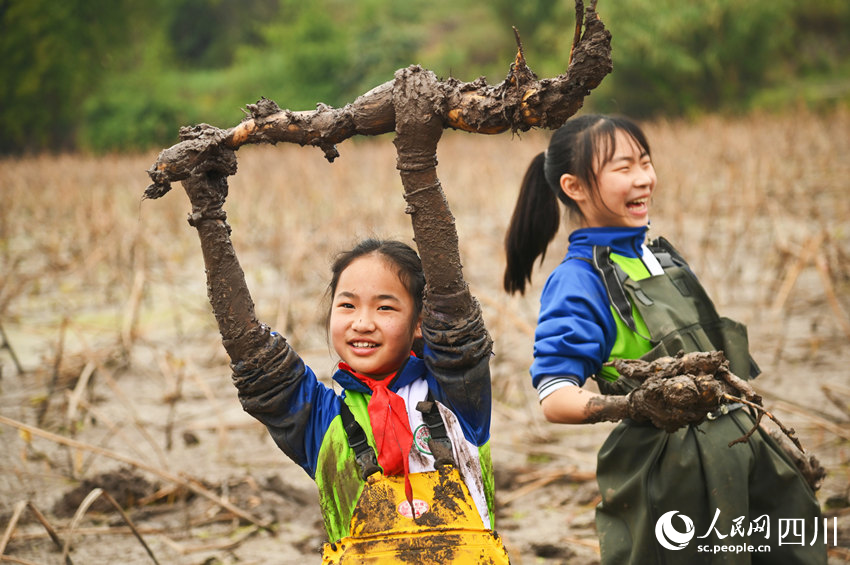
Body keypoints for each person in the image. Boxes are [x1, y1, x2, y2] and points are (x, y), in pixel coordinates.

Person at [502, 114, 826, 564]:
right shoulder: (578, 281)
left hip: (747, 456)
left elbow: (728, 378)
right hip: (674, 476)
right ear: (574, 187)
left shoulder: (661, 257)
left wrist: (779, 450)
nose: (643, 180)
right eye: (623, 168)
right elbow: (555, 398)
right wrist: (634, 405)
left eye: (645, 162)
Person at [176, 158, 510, 562]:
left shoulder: (457, 397)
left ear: (421, 322)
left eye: (385, 308)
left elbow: (454, 311)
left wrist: (417, 157)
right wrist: (208, 215)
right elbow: (253, 355)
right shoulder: (319, 422)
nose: (362, 323)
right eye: (347, 305)